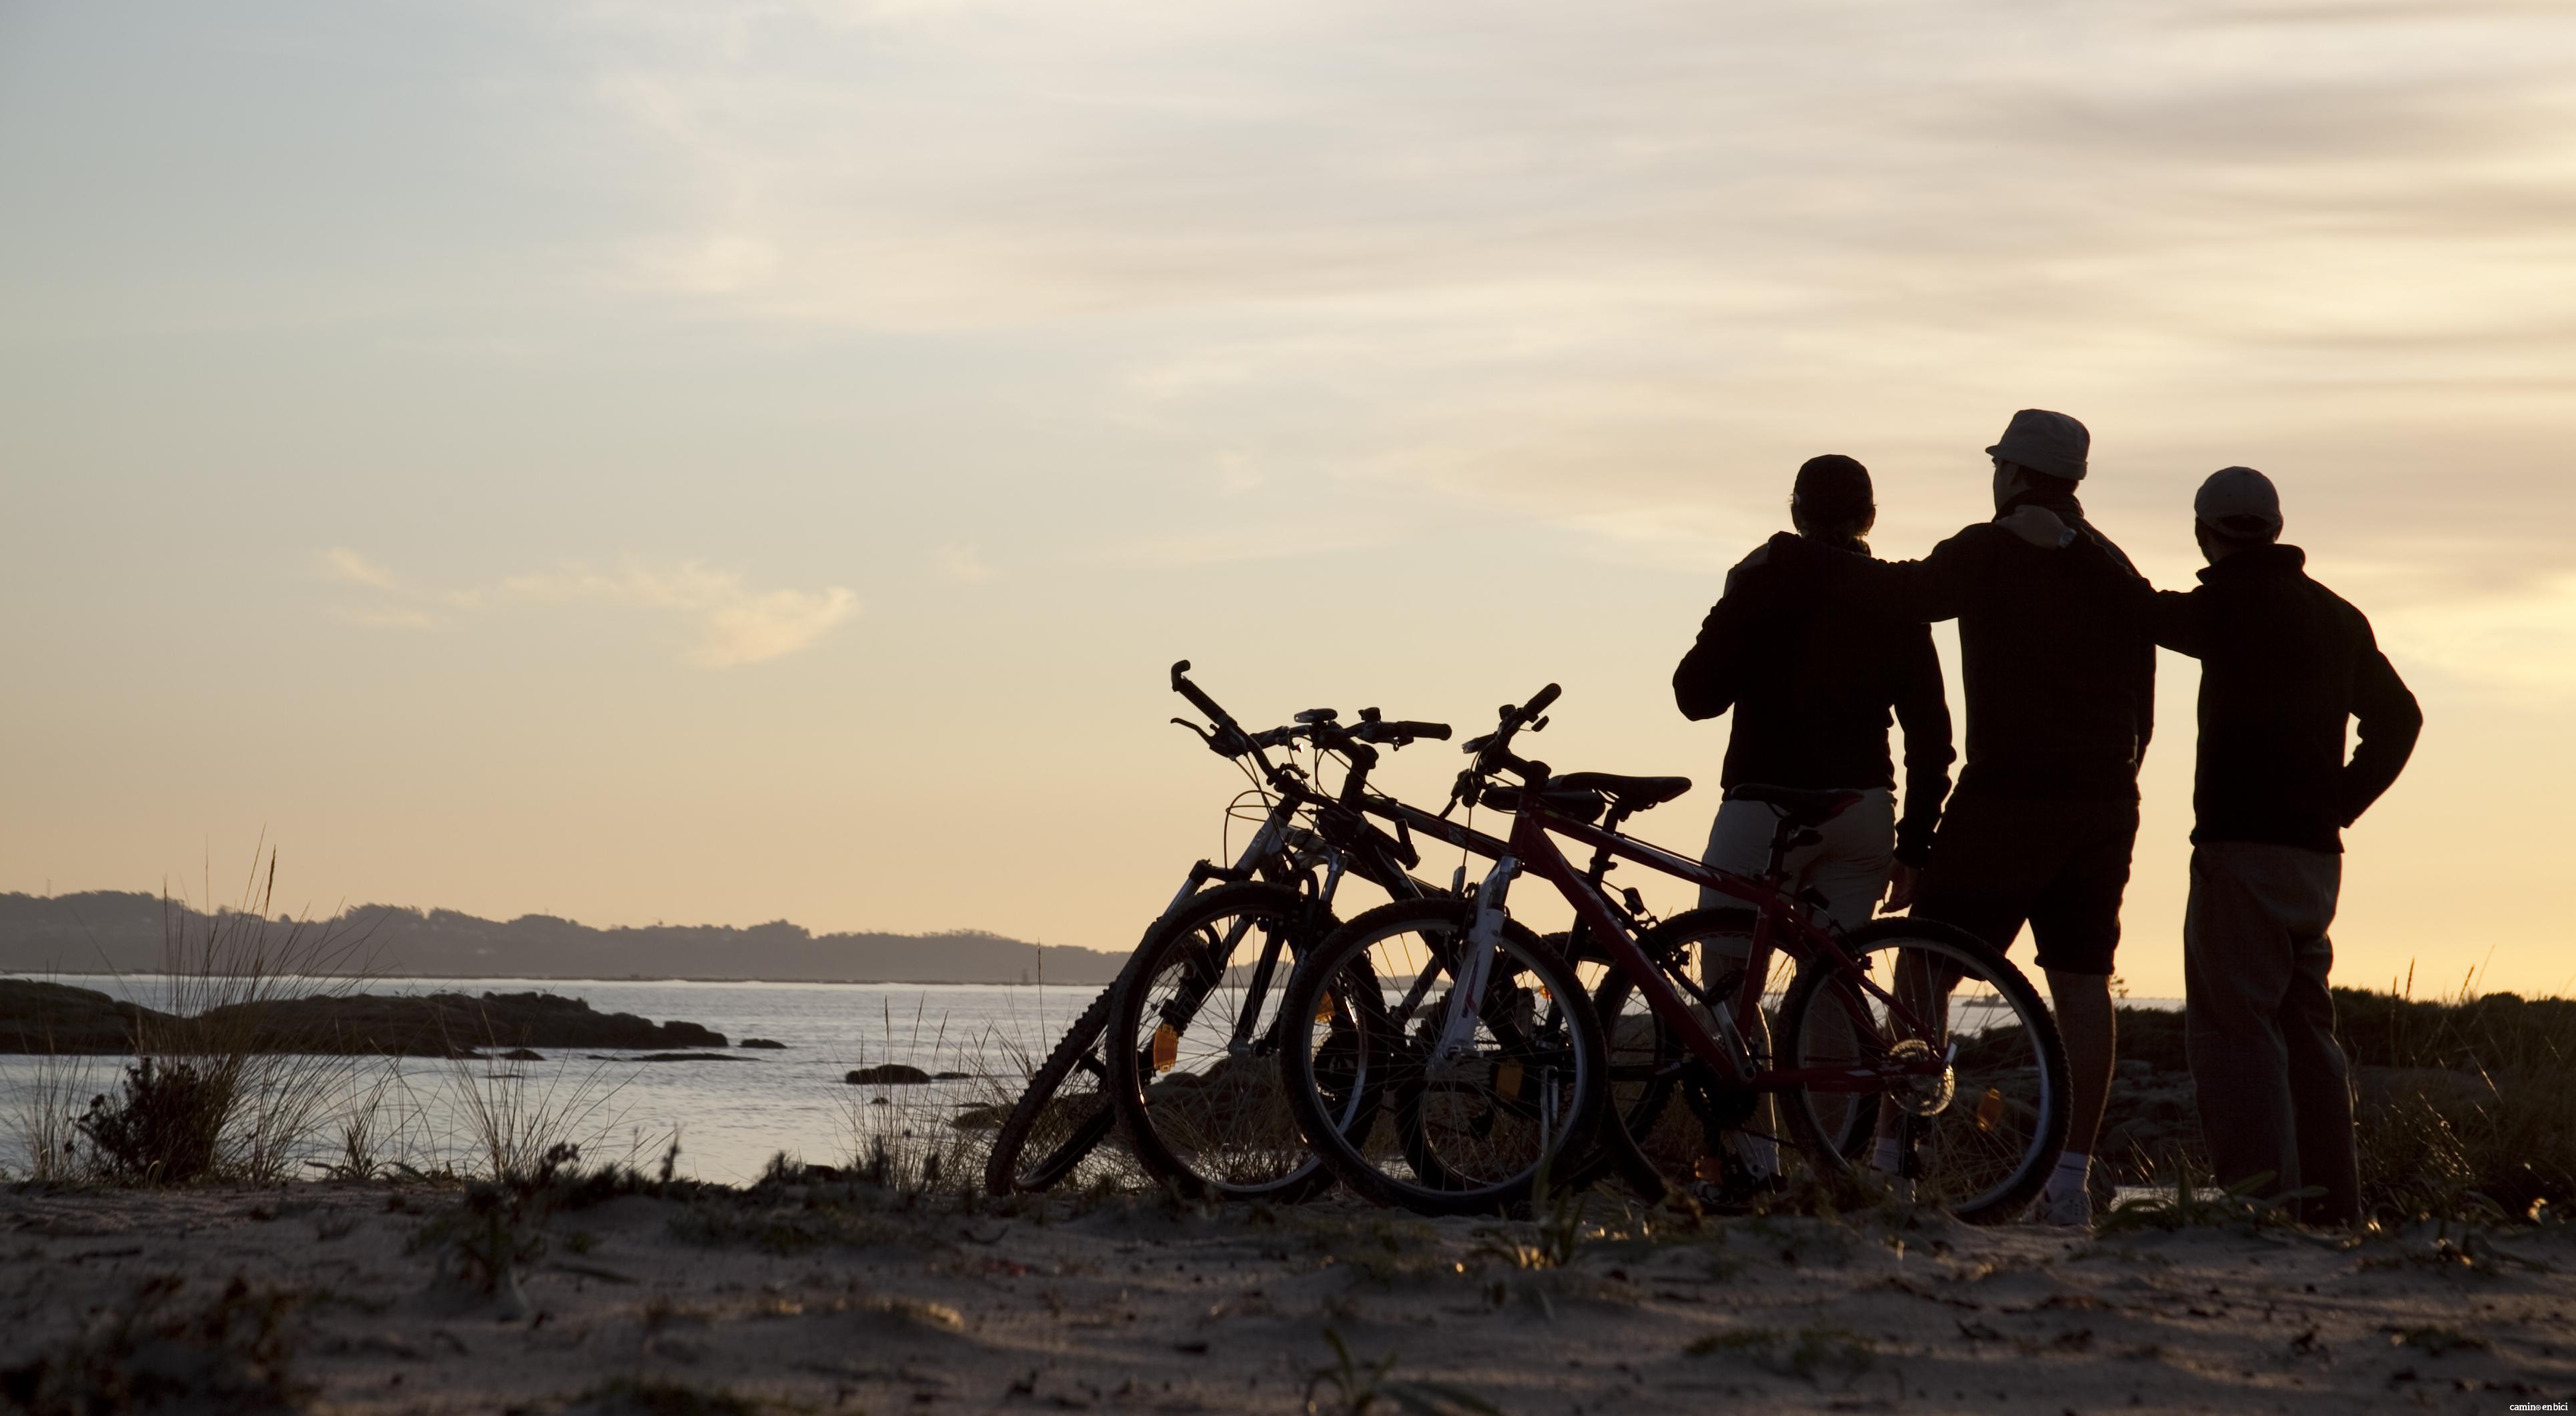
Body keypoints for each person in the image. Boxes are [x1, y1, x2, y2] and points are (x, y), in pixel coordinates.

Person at [1763, 410, 2155, 1227]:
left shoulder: (1989, 547)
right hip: (2106, 799)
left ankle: (1894, 1161)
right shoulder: (2114, 565)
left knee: (1922, 966)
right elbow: (2144, 706)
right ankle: (2068, 1185)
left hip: (2008, 793)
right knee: (2082, 980)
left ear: (2013, 473)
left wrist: (1802, 555)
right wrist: (2116, 780)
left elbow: (1904, 592)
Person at [2013, 467, 2421, 1226]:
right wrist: (2337, 804)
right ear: (2275, 526)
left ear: (2205, 531)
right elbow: (2401, 718)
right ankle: (2331, 1208)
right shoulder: (2336, 614)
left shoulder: (2231, 604)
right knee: (2306, 1032)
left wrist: (2068, 542)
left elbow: (2137, 607)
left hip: (2242, 849)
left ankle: (2259, 1204)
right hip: (2314, 860)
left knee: (2235, 1033)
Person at [1673, 452, 1955, 1185]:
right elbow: (1931, 736)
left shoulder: (1764, 579)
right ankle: (1831, 1169)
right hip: (1861, 813)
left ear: (1796, 512)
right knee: (1832, 983)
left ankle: (1753, 1162)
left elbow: (1694, 694)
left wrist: (1733, 601)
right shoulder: (1893, 593)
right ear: (1870, 516)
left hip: (1762, 808)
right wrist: (1915, 844)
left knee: (1728, 983)